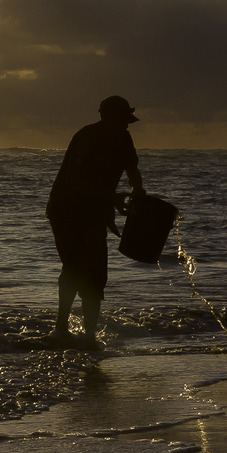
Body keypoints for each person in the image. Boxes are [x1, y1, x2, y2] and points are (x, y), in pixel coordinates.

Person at [45, 95, 144, 345]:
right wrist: (110, 197)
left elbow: (133, 171)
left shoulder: (124, 138)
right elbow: (73, 182)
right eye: (123, 119)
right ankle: (60, 330)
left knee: (97, 273)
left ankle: (89, 335)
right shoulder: (86, 137)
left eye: (128, 121)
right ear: (106, 116)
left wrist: (137, 191)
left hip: (95, 213)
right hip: (66, 211)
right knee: (73, 267)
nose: (126, 125)